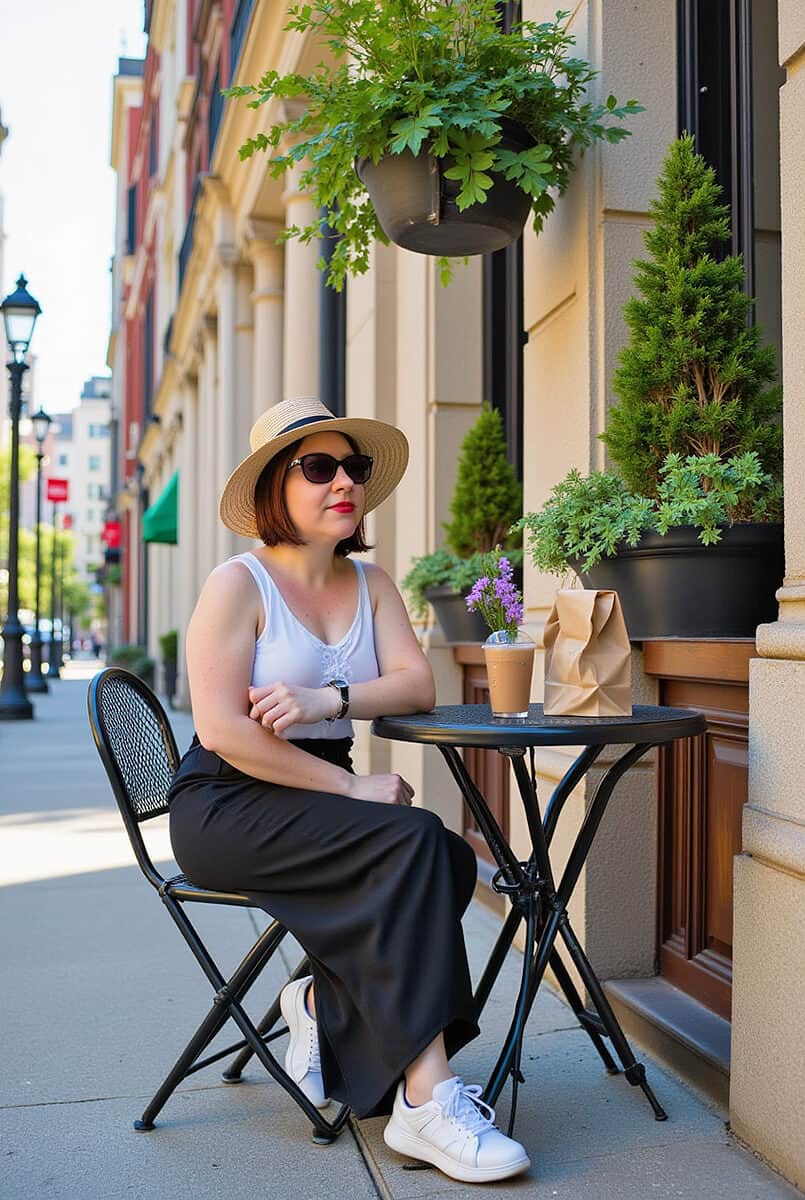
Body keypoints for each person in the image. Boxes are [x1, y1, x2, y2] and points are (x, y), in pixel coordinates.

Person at [167, 397, 530, 1184]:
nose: (344, 483)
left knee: (438, 849)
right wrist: (348, 783)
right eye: (318, 467)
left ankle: (329, 1011)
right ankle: (424, 1101)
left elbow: (413, 684)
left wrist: (329, 700)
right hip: (226, 803)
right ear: (273, 487)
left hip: (317, 802)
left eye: (354, 468)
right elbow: (226, 730)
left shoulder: (370, 584)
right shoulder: (237, 586)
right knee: (411, 842)